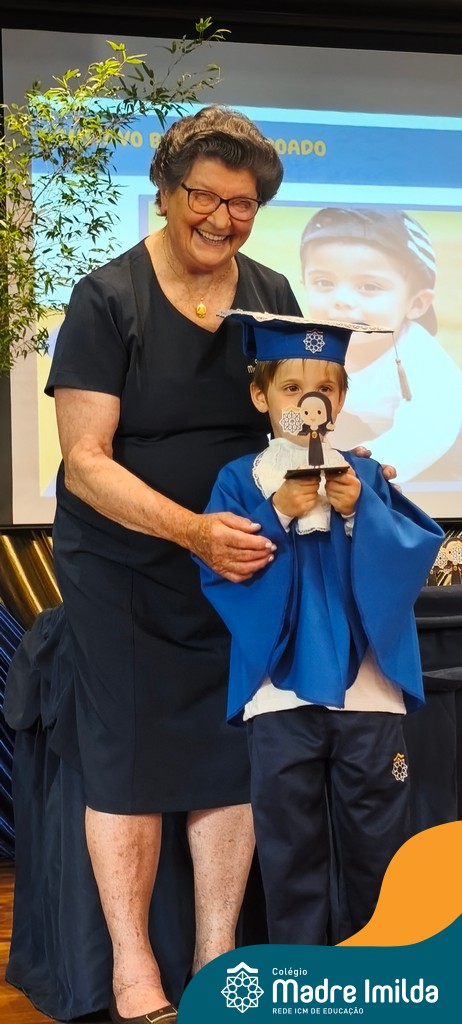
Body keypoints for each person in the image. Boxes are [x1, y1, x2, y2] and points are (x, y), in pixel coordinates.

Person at [198, 311, 444, 945]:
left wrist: (362, 514)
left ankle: (378, 970)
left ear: (340, 398)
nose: (309, 402)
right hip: (279, 698)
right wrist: (276, 515)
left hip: (368, 696)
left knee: (380, 848)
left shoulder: (364, 476)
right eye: (290, 388)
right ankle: (302, 979)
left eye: (325, 388)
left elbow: (412, 555)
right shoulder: (240, 482)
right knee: (292, 852)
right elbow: (220, 571)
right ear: (261, 396)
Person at [300, 206, 462, 483]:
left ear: (416, 302)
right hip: (368, 432)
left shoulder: (422, 360)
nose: (342, 300)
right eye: (324, 282)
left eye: (369, 286)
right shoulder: (312, 345)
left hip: (444, 447)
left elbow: (424, 433)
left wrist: (359, 468)